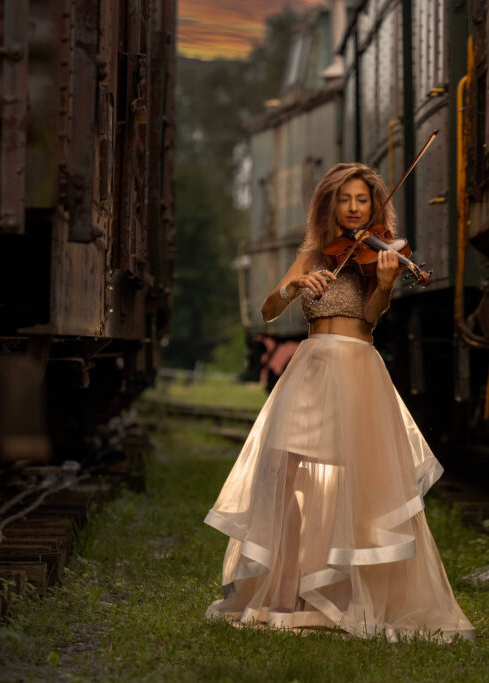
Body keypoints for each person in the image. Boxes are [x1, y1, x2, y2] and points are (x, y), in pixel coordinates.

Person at [203, 162, 474, 641]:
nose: (353, 208)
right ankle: (286, 592)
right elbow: (269, 310)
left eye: (362, 200)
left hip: (355, 366)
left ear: (373, 206)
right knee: (282, 473)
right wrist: (293, 287)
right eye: (345, 199)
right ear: (330, 205)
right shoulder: (313, 254)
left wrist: (387, 285)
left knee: (362, 485)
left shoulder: (381, 252)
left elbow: (370, 318)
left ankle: (353, 594)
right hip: (310, 367)